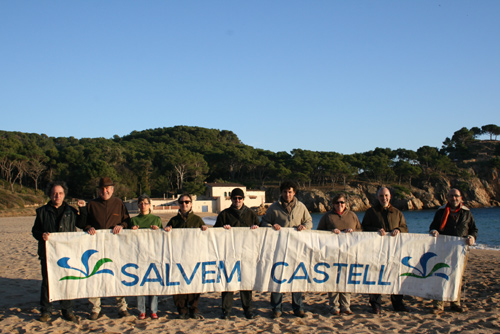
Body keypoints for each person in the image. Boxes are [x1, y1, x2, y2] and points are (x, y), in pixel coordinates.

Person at [77, 177, 131, 320]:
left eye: (107, 188)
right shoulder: (92, 204)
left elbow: (127, 220)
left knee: (118, 276)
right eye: (102, 189)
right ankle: (95, 308)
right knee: (94, 276)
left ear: (112, 190)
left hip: (116, 247)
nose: (104, 191)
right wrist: (89, 228)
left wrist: (122, 226)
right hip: (96, 247)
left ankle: (122, 307)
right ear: (98, 190)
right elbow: (83, 223)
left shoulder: (119, 203)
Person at [32, 181, 84, 322]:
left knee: (67, 281)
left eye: (60, 193)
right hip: (48, 253)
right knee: (47, 283)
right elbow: (35, 230)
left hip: (67, 254)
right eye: (54, 193)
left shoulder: (71, 211)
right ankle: (46, 311)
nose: (57, 196)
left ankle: (67, 310)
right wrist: (41, 235)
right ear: (50, 195)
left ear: (64, 195)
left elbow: (83, 224)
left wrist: (82, 210)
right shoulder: (42, 212)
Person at [260, 180, 313, 319]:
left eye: (290, 192)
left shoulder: (301, 207)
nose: (287, 194)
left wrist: (305, 227)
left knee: (297, 278)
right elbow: (264, 222)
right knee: (277, 278)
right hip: (279, 250)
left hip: (297, 249)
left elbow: (309, 221)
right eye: (285, 192)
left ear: (294, 193)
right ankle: (277, 308)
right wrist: (272, 226)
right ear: (281, 192)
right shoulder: (273, 207)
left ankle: (298, 307)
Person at [429, 188, 478, 314]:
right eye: (451, 196)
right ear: (447, 197)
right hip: (443, 248)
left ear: (461, 197)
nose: (453, 198)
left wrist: (472, 237)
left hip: (461, 250)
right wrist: (434, 231)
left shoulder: (467, 213)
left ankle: (455, 302)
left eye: (456, 196)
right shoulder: (440, 212)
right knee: (440, 274)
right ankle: (438, 304)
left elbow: (473, 229)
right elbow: (433, 226)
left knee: (457, 276)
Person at [214, 188, 260, 320]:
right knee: (228, 282)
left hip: (247, 253)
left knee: (246, 282)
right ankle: (226, 311)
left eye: (240, 198)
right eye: (235, 198)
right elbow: (215, 233)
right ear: (231, 199)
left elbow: (261, 231)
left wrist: (257, 229)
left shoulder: (251, 214)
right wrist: (222, 230)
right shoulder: (224, 214)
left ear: (243, 199)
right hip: (228, 253)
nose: (237, 201)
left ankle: (248, 310)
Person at [361, 187, 409, 314]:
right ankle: (375, 304)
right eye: (381, 196)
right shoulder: (371, 212)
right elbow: (364, 228)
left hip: (394, 251)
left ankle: (397, 303)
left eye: (386, 195)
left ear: (390, 196)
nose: (384, 198)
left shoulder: (397, 212)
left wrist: (398, 229)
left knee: (396, 275)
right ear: (378, 197)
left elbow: (405, 227)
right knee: (375, 276)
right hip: (376, 251)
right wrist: (375, 230)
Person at [317, 192, 362, 315]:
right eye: (337, 203)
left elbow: (361, 231)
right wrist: (330, 232)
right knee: (333, 279)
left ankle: (346, 305)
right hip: (332, 253)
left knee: (346, 278)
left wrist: (353, 231)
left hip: (349, 253)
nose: (340, 205)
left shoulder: (352, 215)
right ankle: (334, 305)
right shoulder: (327, 216)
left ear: (345, 204)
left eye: (342, 202)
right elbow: (319, 232)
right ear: (333, 204)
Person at [164, 193, 208, 319]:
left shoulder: (197, 220)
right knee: (178, 283)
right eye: (182, 202)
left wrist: (204, 230)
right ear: (178, 204)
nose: (184, 204)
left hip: (194, 257)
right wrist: (167, 230)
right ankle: (181, 309)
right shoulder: (174, 220)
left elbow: (205, 238)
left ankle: (193, 308)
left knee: (194, 282)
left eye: (187, 202)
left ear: (191, 204)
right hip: (178, 257)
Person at [130, 194, 163, 320]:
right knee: (140, 283)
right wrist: (131, 231)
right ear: (138, 206)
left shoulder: (156, 219)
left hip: (153, 254)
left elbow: (161, 237)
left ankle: (153, 310)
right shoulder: (134, 220)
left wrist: (158, 230)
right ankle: (141, 310)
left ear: (150, 205)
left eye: (145, 203)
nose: (143, 206)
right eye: (140, 203)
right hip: (138, 255)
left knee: (153, 283)